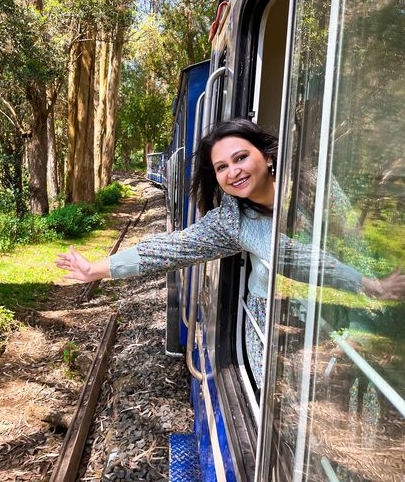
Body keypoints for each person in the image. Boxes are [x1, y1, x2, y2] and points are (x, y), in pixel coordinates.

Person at [56, 118, 404, 388]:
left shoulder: (314, 185)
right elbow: (166, 249)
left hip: (337, 304)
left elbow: (350, 234)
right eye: (221, 167)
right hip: (267, 322)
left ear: (266, 156)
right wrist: (96, 269)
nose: (233, 171)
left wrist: (373, 281)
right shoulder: (232, 221)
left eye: (240, 158)